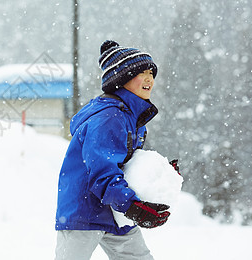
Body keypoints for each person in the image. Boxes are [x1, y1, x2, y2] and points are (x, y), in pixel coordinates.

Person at [55, 40, 170, 260]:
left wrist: (161, 174)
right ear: (122, 79)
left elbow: (127, 163)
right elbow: (102, 170)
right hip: (84, 210)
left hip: (115, 211)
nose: (149, 79)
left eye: (151, 73)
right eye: (141, 73)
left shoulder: (131, 118)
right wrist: (131, 205)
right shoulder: (109, 118)